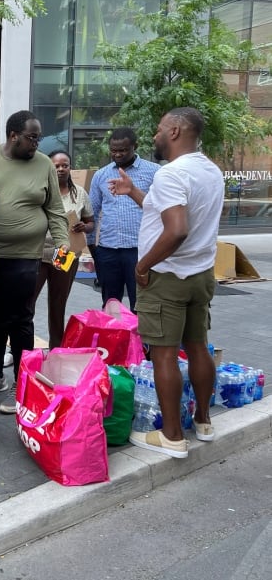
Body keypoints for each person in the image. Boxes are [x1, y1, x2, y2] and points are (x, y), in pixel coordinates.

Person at [110, 108, 223, 459]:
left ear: (174, 131)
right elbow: (168, 214)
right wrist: (133, 193)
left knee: (165, 355)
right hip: (200, 274)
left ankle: (172, 435)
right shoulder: (210, 170)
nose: (155, 135)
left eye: (160, 129)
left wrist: (143, 265)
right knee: (199, 345)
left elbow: (176, 229)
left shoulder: (172, 173)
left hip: (168, 276)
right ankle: (203, 421)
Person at [0, 110, 69, 413]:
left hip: (26, 256)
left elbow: (55, 211)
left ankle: (24, 383)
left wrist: (62, 246)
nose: (38, 142)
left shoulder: (44, 165)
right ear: (13, 135)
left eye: (38, 137)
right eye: (32, 137)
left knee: (21, 319)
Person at [29, 151, 95, 350]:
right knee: (27, 303)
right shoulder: (39, 190)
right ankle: (19, 347)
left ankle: (56, 348)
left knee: (58, 303)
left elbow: (90, 222)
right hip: (39, 252)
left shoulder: (80, 194)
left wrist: (84, 227)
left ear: (70, 167)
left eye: (64, 165)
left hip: (64, 253)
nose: (60, 169)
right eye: (56, 165)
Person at [89, 127, 160, 311]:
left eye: (123, 150)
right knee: (110, 305)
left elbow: (160, 210)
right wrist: (93, 249)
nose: (118, 154)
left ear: (134, 146)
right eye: (113, 150)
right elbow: (92, 212)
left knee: (142, 303)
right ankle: (113, 339)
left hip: (139, 250)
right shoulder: (101, 175)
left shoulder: (154, 172)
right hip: (108, 250)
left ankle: (141, 340)